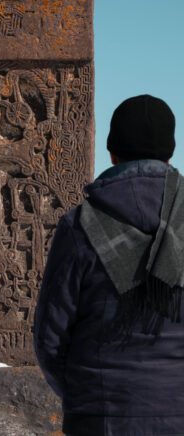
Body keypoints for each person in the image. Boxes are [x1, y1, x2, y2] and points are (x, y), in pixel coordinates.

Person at [34, 95, 184, 436]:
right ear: (169, 153)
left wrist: (86, 397)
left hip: (100, 418)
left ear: (112, 152)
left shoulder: (79, 226)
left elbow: (51, 341)